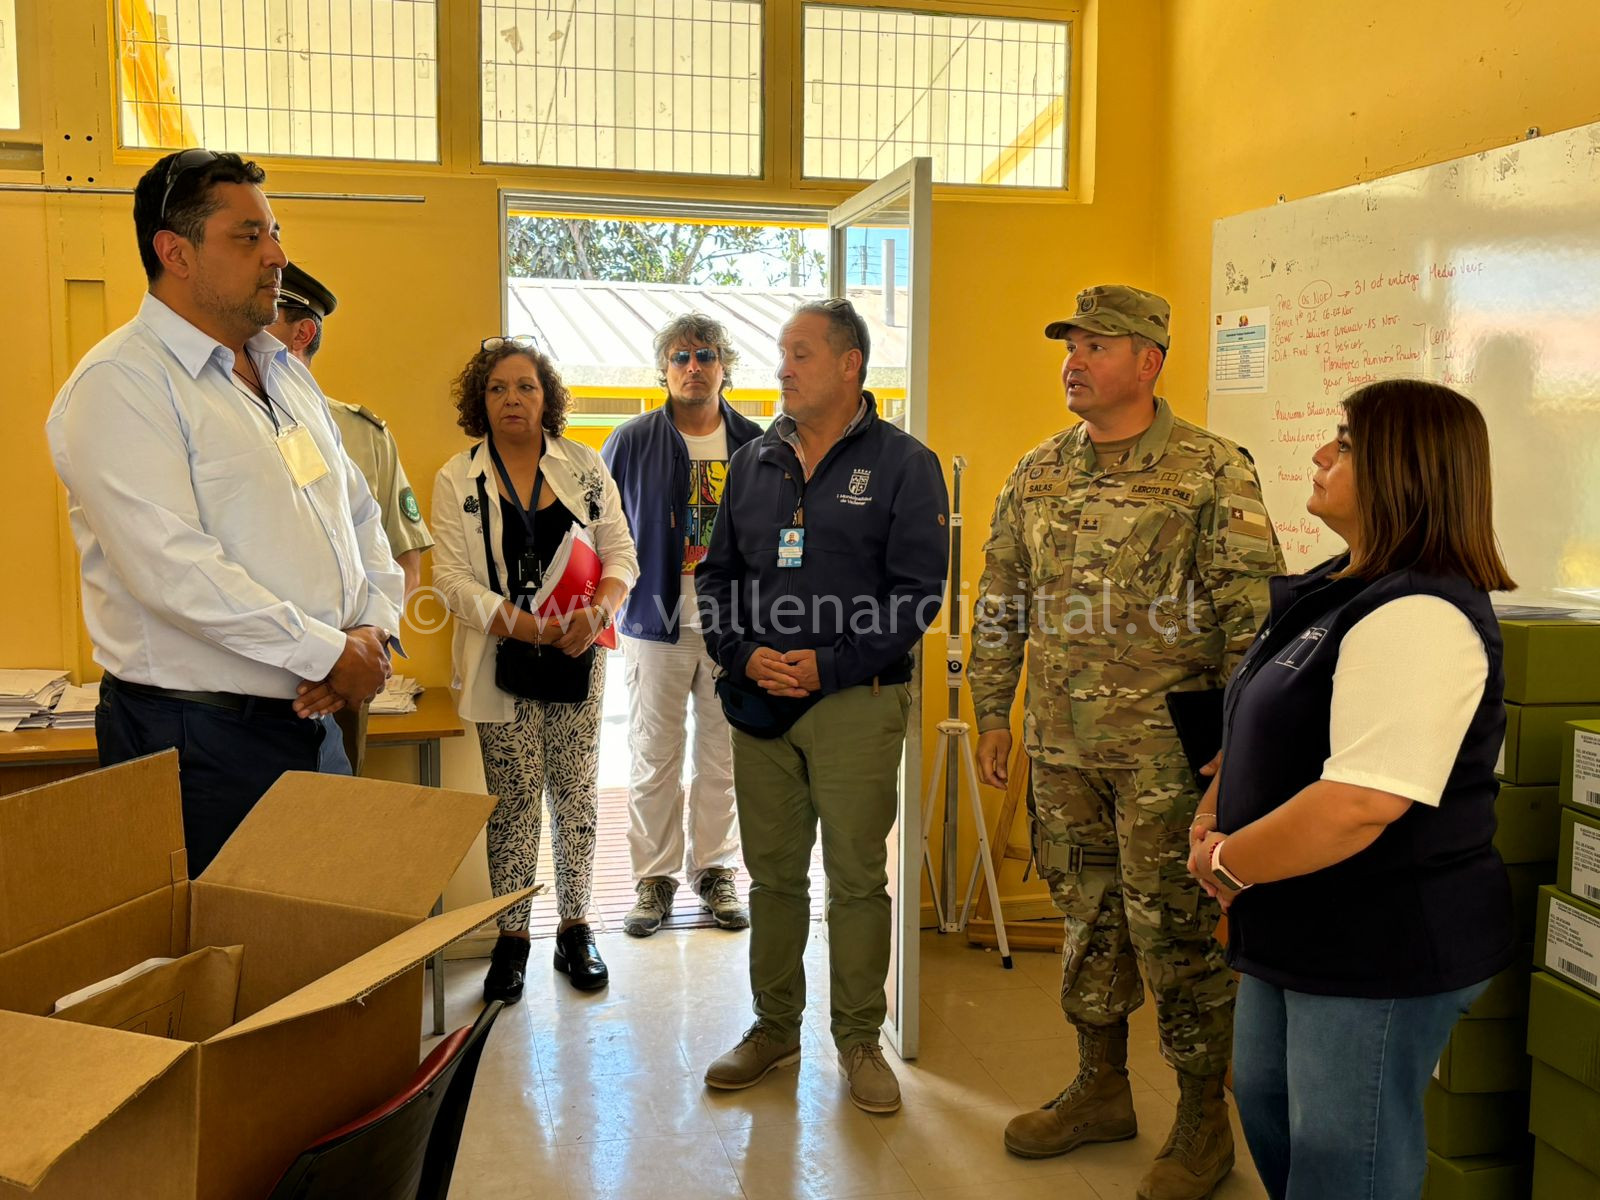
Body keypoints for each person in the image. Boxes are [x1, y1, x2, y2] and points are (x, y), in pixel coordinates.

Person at [967, 284, 1283, 1199]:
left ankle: (1202, 1121)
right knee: (1088, 923)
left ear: (1149, 361)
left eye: (1096, 346)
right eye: (1070, 345)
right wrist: (995, 711)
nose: (1074, 362)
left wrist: (1239, 745)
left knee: (1176, 934)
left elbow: (1253, 621)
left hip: (1168, 760)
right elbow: (1002, 597)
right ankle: (1100, 1088)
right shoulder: (1038, 470)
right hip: (1062, 749)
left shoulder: (1211, 470)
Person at [1189, 380, 1517, 1200]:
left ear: (1403, 469)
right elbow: (1256, 723)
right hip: (1294, 921)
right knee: (1267, 1104)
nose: (1320, 454)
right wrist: (1214, 810)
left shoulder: (1421, 615)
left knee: (1344, 1162)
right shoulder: (1340, 585)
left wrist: (1227, 863)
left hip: (1379, 940)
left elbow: (1360, 806)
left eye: (1344, 443)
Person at [46, 148, 400, 877]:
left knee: (321, 932)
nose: (277, 257)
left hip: (316, 720)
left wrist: (372, 630)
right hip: (197, 737)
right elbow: (174, 570)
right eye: (249, 237)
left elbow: (358, 515)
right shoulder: (122, 382)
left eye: (275, 234)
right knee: (218, 944)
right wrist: (330, 654)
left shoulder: (285, 377)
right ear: (175, 252)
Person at [696, 298, 949, 1115]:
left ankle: (859, 1040)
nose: (783, 369)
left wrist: (830, 664)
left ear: (849, 364)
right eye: (782, 354)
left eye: (800, 353)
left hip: (855, 704)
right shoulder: (754, 461)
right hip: (759, 703)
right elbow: (717, 575)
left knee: (856, 882)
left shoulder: (906, 464)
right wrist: (742, 654)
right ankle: (774, 1029)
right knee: (772, 879)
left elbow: (917, 594)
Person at [430, 336, 637, 1001]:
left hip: (577, 653)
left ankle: (577, 928)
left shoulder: (584, 466)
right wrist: (522, 625)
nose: (512, 399)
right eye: (497, 388)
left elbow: (622, 554)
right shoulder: (457, 477)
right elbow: (450, 579)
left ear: (547, 398)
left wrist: (599, 612)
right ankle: (512, 937)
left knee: (575, 792)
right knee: (515, 798)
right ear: (480, 401)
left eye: (526, 386)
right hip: (502, 653)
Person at [601, 314, 761, 936]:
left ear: (724, 366)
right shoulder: (631, 441)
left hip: (733, 628)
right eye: (680, 357)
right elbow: (600, 529)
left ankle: (715, 872)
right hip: (653, 622)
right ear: (664, 370)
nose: (693, 367)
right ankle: (654, 879)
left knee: (723, 759)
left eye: (705, 355)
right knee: (653, 757)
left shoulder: (756, 442)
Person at [265, 260, 435, 774]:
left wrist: (364, 646)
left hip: (344, 680)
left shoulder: (361, 434)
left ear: (301, 334)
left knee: (336, 811)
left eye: (266, 316)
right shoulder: (215, 416)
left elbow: (402, 560)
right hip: (248, 678)